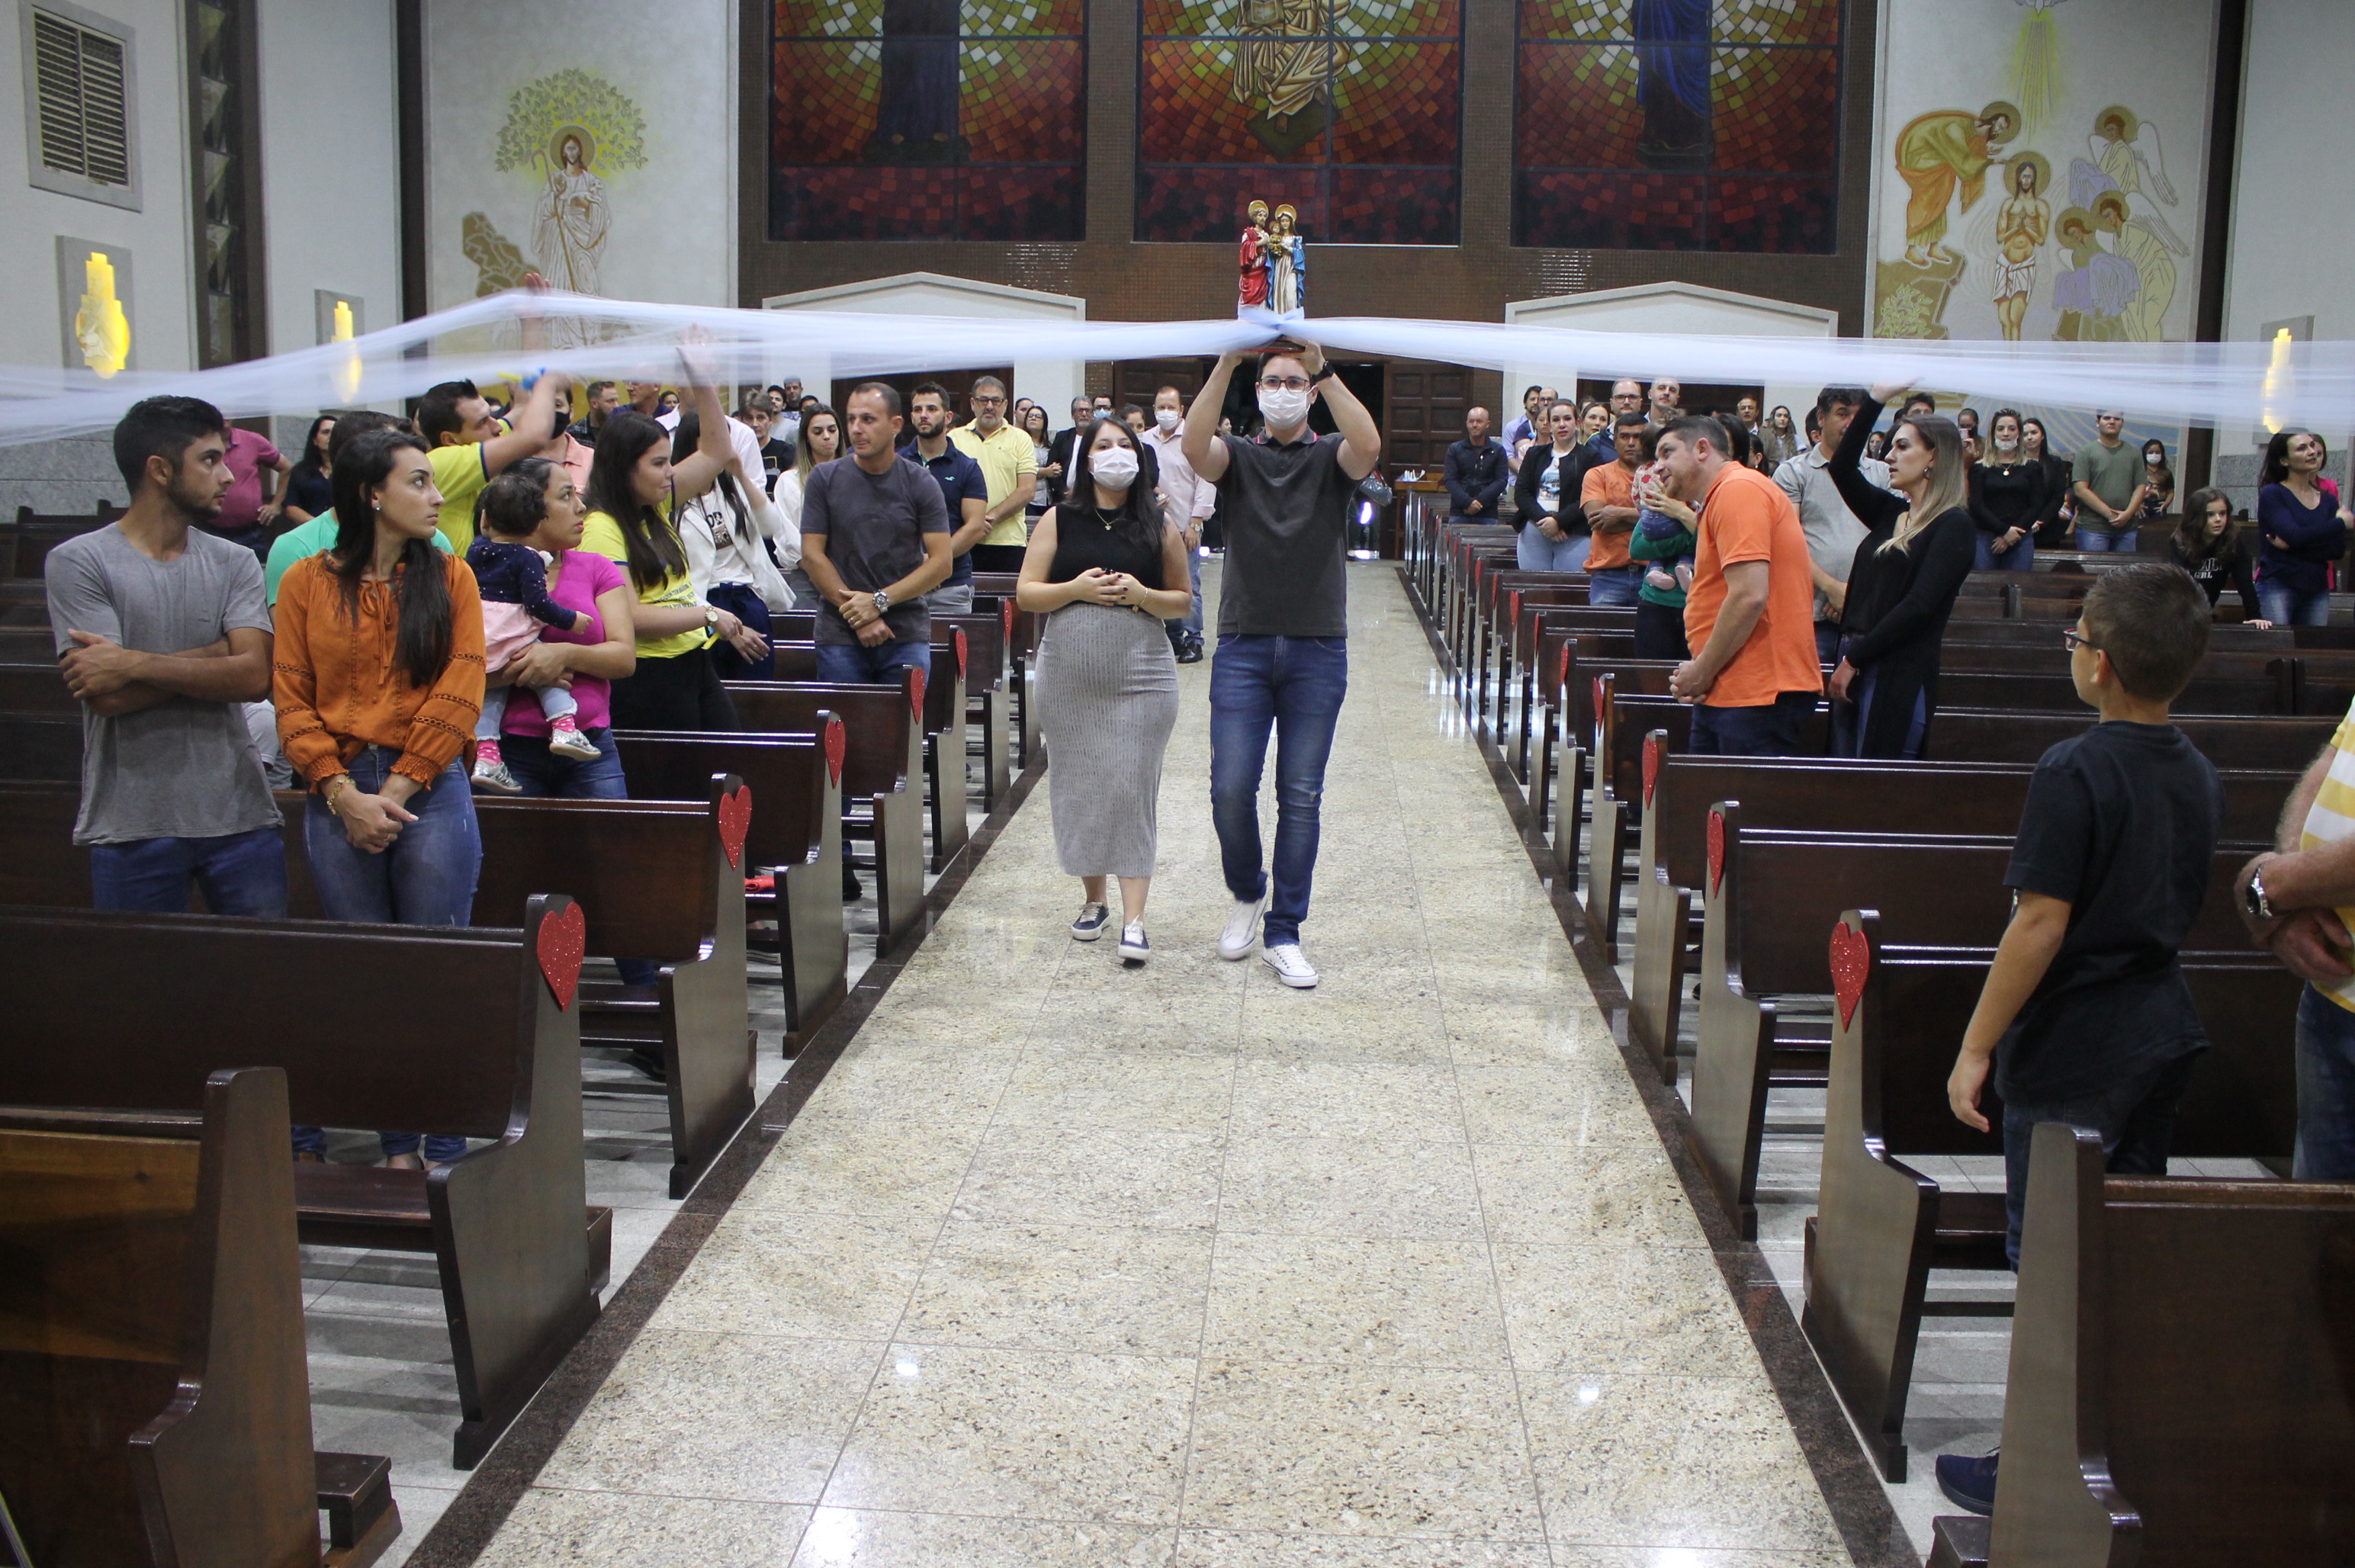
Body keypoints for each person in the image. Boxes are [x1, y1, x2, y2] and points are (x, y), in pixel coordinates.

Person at [1938, 564, 2223, 1516]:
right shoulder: (2197, 768)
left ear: (2099, 665)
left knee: (2053, 1259)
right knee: (2118, 1248)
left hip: (2075, 1043)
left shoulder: (2074, 768)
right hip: (2160, 1027)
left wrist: (1976, 1045)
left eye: (2076, 641)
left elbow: (2038, 922)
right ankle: (2110, 1441)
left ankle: (2036, 1462)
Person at [274, 427, 488, 1167]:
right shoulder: (307, 582)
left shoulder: (451, 577)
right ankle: (398, 1145)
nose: (435, 496)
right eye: (418, 482)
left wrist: (396, 788)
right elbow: (291, 695)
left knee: (435, 969)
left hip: (429, 785)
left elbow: (462, 685)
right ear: (371, 495)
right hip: (336, 790)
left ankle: (445, 1144)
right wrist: (342, 793)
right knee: (371, 978)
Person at [1183, 339, 1380, 988]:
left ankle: (1284, 931)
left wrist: (1323, 368)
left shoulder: (1330, 456)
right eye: (1273, 381)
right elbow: (1194, 447)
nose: (1283, 391)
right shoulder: (1238, 456)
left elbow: (1368, 444)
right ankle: (1248, 890)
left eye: (1295, 382)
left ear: (1311, 391)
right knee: (1230, 787)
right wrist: (1226, 363)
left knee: (1300, 795)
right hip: (1244, 643)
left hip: (1316, 645)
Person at [45, 396, 284, 914]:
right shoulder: (80, 562)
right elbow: (106, 697)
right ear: (160, 470)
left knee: (260, 964)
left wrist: (131, 662)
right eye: (210, 459)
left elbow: (253, 678)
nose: (228, 476)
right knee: (143, 968)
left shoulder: (235, 561)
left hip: (239, 815)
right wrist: (219, 654)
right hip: (132, 821)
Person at [1017, 416, 1192, 961]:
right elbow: (1027, 593)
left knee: (1132, 787)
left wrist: (1143, 595)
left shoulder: (1158, 523)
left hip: (1142, 673)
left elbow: (1182, 600)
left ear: (1139, 458)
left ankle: (1135, 920)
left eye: (1125, 445)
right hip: (1069, 674)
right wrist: (1075, 588)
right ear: (1086, 459)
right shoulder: (1060, 518)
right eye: (1104, 445)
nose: (1115, 453)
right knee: (1080, 784)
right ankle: (1095, 900)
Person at [583, 357, 766, 731]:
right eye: (658, 463)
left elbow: (717, 451)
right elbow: (629, 616)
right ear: (623, 468)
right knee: (687, 766)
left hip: (691, 658)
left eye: (669, 461)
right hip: (649, 674)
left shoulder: (655, 505)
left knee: (729, 754)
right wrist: (707, 614)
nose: (670, 472)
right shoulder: (601, 528)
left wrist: (700, 375)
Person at [1825, 389, 1977, 759]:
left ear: (1933, 457)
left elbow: (1919, 606)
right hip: (1856, 653)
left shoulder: (1953, 525)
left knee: (1878, 777)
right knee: (1843, 772)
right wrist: (1875, 399)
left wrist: (1855, 659)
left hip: (1896, 666)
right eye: (1890, 446)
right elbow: (1842, 467)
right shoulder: (1890, 513)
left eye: (1903, 447)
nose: (1888, 457)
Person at [1658, 415, 1822, 755]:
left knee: (1739, 791)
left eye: (1667, 452)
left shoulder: (1738, 489)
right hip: (1730, 684)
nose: (1658, 467)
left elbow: (1749, 595)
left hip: (1758, 691)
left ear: (1702, 449)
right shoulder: (1723, 495)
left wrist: (1701, 671)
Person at [800, 381, 954, 684]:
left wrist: (879, 602)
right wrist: (858, 616)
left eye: (868, 419)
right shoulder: (825, 478)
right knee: (844, 715)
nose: (857, 429)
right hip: (840, 633)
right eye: (851, 419)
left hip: (904, 632)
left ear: (896, 425)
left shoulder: (920, 482)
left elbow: (941, 563)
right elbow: (812, 555)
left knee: (904, 716)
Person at [465, 468, 602, 792]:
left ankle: (486, 755)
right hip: (512, 636)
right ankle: (564, 726)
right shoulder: (528, 558)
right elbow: (537, 604)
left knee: (490, 694)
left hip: (481, 639)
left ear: (485, 520)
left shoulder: (475, 550)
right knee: (547, 673)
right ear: (535, 524)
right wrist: (571, 620)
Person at [675, 413, 798, 678]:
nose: (722, 448)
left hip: (747, 598)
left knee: (757, 688)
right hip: (700, 605)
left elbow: (771, 526)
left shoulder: (733, 489)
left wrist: (741, 473)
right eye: (713, 441)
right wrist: (722, 625)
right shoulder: (672, 501)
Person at [1775, 387, 1888, 665]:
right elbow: (1787, 541)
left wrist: (1854, 595)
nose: (1851, 422)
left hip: (1869, 610)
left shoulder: (1883, 472)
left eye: (1858, 415)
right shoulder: (1794, 472)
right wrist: (1833, 588)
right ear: (1821, 418)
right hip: (1811, 611)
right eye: (1842, 414)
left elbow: (1893, 539)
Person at [415, 372, 564, 554]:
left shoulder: (483, 438)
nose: (498, 427)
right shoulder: (439, 463)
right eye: (482, 422)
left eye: (491, 416)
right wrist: (548, 383)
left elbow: (521, 409)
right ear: (450, 440)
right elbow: (533, 438)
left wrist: (523, 380)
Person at [1139, 385, 1214, 664]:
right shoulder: (1144, 440)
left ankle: (1194, 639)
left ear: (1182, 410)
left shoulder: (1193, 439)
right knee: (1163, 585)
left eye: (1171, 407)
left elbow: (1206, 480)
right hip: (1152, 526)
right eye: (1161, 407)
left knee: (1189, 585)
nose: (1166, 412)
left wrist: (1196, 522)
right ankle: (1173, 639)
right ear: (1154, 410)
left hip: (1185, 527)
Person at [902, 381, 990, 615]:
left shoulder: (967, 468)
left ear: (948, 416)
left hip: (952, 586)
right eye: (918, 410)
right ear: (911, 416)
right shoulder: (895, 464)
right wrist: (916, 563)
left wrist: (934, 562)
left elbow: (974, 527)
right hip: (901, 583)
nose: (924, 415)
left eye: (932, 409)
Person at [2254, 428, 2351, 628]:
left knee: (2312, 644)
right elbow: (2295, 535)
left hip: (2317, 588)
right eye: (2301, 448)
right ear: (2284, 461)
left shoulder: (2328, 500)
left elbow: (2337, 550)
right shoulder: (2273, 494)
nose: (2312, 452)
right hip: (2279, 584)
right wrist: (2340, 523)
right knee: (2278, 644)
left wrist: (2292, 547)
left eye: (2312, 446)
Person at [954, 376, 1039, 574]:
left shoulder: (1021, 439)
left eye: (996, 401)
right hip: (960, 539)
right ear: (973, 403)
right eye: (983, 400)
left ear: (1006, 405)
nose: (990, 406)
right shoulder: (954, 438)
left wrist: (988, 519)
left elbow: (1027, 490)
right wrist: (972, 525)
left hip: (1008, 542)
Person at [1627, 429, 1693, 660]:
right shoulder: (1662, 491)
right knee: (1652, 676)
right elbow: (1637, 548)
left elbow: (1716, 540)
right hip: (1655, 602)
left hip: (1697, 604)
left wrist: (1686, 517)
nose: (1659, 467)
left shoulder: (1709, 495)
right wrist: (1689, 537)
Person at [1512, 400, 1595, 573]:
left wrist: (1559, 522)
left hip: (1575, 532)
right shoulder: (1534, 455)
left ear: (1578, 423)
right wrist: (1546, 521)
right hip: (1536, 527)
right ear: (1549, 426)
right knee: (1533, 584)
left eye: (1567, 419)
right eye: (1556, 420)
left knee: (1569, 586)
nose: (1562, 424)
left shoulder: (1591, 457)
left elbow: (1589, 497)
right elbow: (1522, 493)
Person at [1578, 413, 1651, 606]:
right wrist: (1649, 520)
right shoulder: (1597, 475)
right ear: (1615, 440)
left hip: (1653, 574)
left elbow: (1669, 521)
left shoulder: (1662, 474)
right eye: (1625, 437)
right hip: (1608, 575)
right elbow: (1598, 522)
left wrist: (1618, 513)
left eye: (1638, 437)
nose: (1631, 443)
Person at [2170, 488, 2268, 627]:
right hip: (2179, 612)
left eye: (2223, 513)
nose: (2218, 520)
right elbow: (2178, 587)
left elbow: (2245, 582)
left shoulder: (2232, 541)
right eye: (2210, 515)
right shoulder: (2181, 541)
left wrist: (2254, 616)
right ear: (2196, 517)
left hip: (2207, 609)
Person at [1968, 408, 2045, 571]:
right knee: (1985, 585)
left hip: (2020, 537)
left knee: (2017, 584)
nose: (2006, 434)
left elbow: (2037, 505)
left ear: (2019, 433)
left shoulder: (2032, 467)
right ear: (1993, 433)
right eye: (2000, 429)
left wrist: (2012, 535)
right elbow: (1977, 505)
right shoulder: (1979, 468)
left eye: (2012, 429)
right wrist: (2004, 531)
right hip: (1986, 538)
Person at [2072, 409, 2148, 551]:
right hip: (2093, 528)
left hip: (2127, 528)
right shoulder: (2086, 452)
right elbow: (2080, 490)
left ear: (2122, 423)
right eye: (2107, 418)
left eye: (2117, 419)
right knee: (2094, 567)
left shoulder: (2134, 452)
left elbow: (2141, 485)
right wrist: (2110, 514)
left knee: (2125, 567)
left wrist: (2128, 514)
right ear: (2097, 422)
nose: (2112, 422)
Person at [1443, 404, 1510, 527]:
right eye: (1471, 421)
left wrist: (1479, 502)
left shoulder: (1498, 451)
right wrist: (1467, 502)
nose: (1474, 425)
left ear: (1488, 424)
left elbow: (1501, 481)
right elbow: (1450, 480)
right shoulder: (1455, 449)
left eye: (1479, 421)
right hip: (1460, 512)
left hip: (1488, 513)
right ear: (1467, 424)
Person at [2021, 416, 2074, 548]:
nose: (2029, 437)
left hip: (2048, 527)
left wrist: (2040, 521)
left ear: (2042, 436)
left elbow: (2058, 497)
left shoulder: (2055, 463)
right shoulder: (2014, 463)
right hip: (2019, 527)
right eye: (2025, 434)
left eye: (2034, 433)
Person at [282, 415, 336, 524]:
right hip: (311, 528)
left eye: (335, 433)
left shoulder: (352, 469)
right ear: (315, 440)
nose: (331, 437)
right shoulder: (300, 471)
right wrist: (318, 525)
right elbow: (291, 507)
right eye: (326, 432)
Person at [1044, 396, 1091, 508]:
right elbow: (1051, 467)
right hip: (1062, 499)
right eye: (1080, 410)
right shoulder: (1062, 437)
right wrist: (1064, 491)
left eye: (1088, 410)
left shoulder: (1097, 439)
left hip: (1089, 500)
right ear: (1073, 415)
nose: (1084, 414)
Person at [1020, 404, 1055, 521]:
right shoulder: (1020, 444)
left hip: (1047, 497)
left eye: (1038, 417)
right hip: (1029, 498)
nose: (1033, 419)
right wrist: (1046, 472)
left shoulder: (1050, 445)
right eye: (1030, 416)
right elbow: (1019, 469)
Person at [570, 380, 618, 446]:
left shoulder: (620, 431)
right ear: (594, 404)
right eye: (610, 401)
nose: (616, 406)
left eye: (616, 400)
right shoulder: (574, 433)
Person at [2138, 437, 2175, 519]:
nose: (2154, 455)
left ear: (2162, 454)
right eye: (2151, 452)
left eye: (2157, 452)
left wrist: (2166, 503)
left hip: (2159, 505)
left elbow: (2171, 491)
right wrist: (2136, 505)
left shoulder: (2166, 472)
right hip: (2143, 504)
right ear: (2145, 453)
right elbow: (2132, 489)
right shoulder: (2139, 471)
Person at [1759, 404, 1801, 468]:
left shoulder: (1795, 438)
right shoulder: (1767, 438)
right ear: (1773, 418)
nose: (1782, 419)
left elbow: (1800, 461)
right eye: (1779, 416)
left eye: (1786, 416)